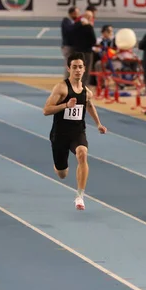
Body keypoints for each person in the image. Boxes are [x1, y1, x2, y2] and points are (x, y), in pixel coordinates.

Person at [43, 52, 107, 210]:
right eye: (74, 67)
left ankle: (80, 196)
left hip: (77, 132)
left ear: (84, 69)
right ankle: (59, 166)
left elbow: (89, 105)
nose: (77, 70)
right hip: (60, 134)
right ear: (69, 68)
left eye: (80, 67)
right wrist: (65, 106)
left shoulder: (86, 92)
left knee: (82, 154)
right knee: (62, 173)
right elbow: (46, 110)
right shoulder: (61, 88)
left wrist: (98, 124)